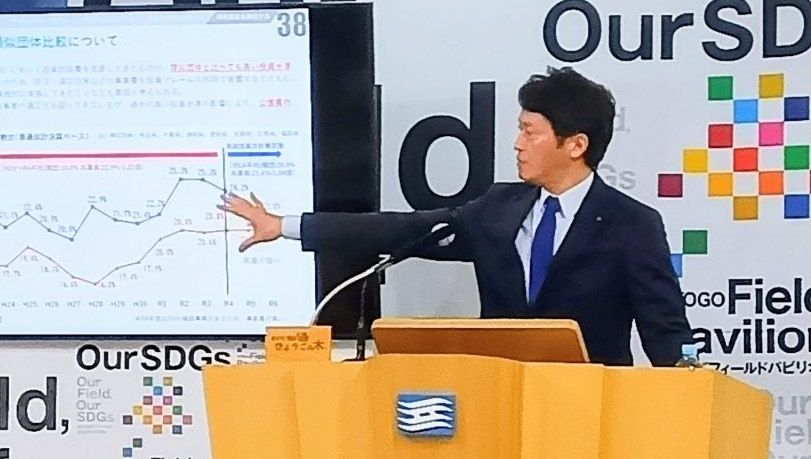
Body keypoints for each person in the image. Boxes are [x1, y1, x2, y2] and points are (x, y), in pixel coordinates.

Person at [219, 66, 694, 366]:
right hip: (499, 405)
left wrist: (686, 377)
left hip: (593, 416)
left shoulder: (632, 225)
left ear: (575, 145)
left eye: (530, 132)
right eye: (518, 129)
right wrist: (286, 226)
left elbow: (666, 329)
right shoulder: (498, 208)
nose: (517, 144)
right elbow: (400, 229)